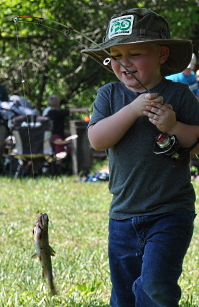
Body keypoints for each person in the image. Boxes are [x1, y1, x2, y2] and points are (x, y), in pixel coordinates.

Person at [81, 8, 199, 307]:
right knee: (123, 295)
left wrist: (174, 127)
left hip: (171, 212)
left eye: (135, 53)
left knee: (156, 286)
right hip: (123, 215)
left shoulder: (181, 95)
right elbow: (97, 139)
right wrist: (132, 110)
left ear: (161, 54)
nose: (124, 63)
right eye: (116, 55)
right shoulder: (108, 95)